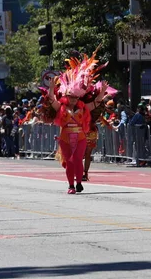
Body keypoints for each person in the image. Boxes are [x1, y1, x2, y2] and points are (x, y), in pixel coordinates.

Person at [44, 50, 114, 194]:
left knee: (77, 159)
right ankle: (70, 185)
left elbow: (96, 103)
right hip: (65, 137)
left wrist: (102, 92)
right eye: (71, 97)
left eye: (76, 98)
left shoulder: (83, 108)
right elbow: (51, 101)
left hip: (81, 137)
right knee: (69, 161)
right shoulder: (61, 107)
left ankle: (79, 183)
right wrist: (51, 89)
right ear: (67, 96)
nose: (74, 100)